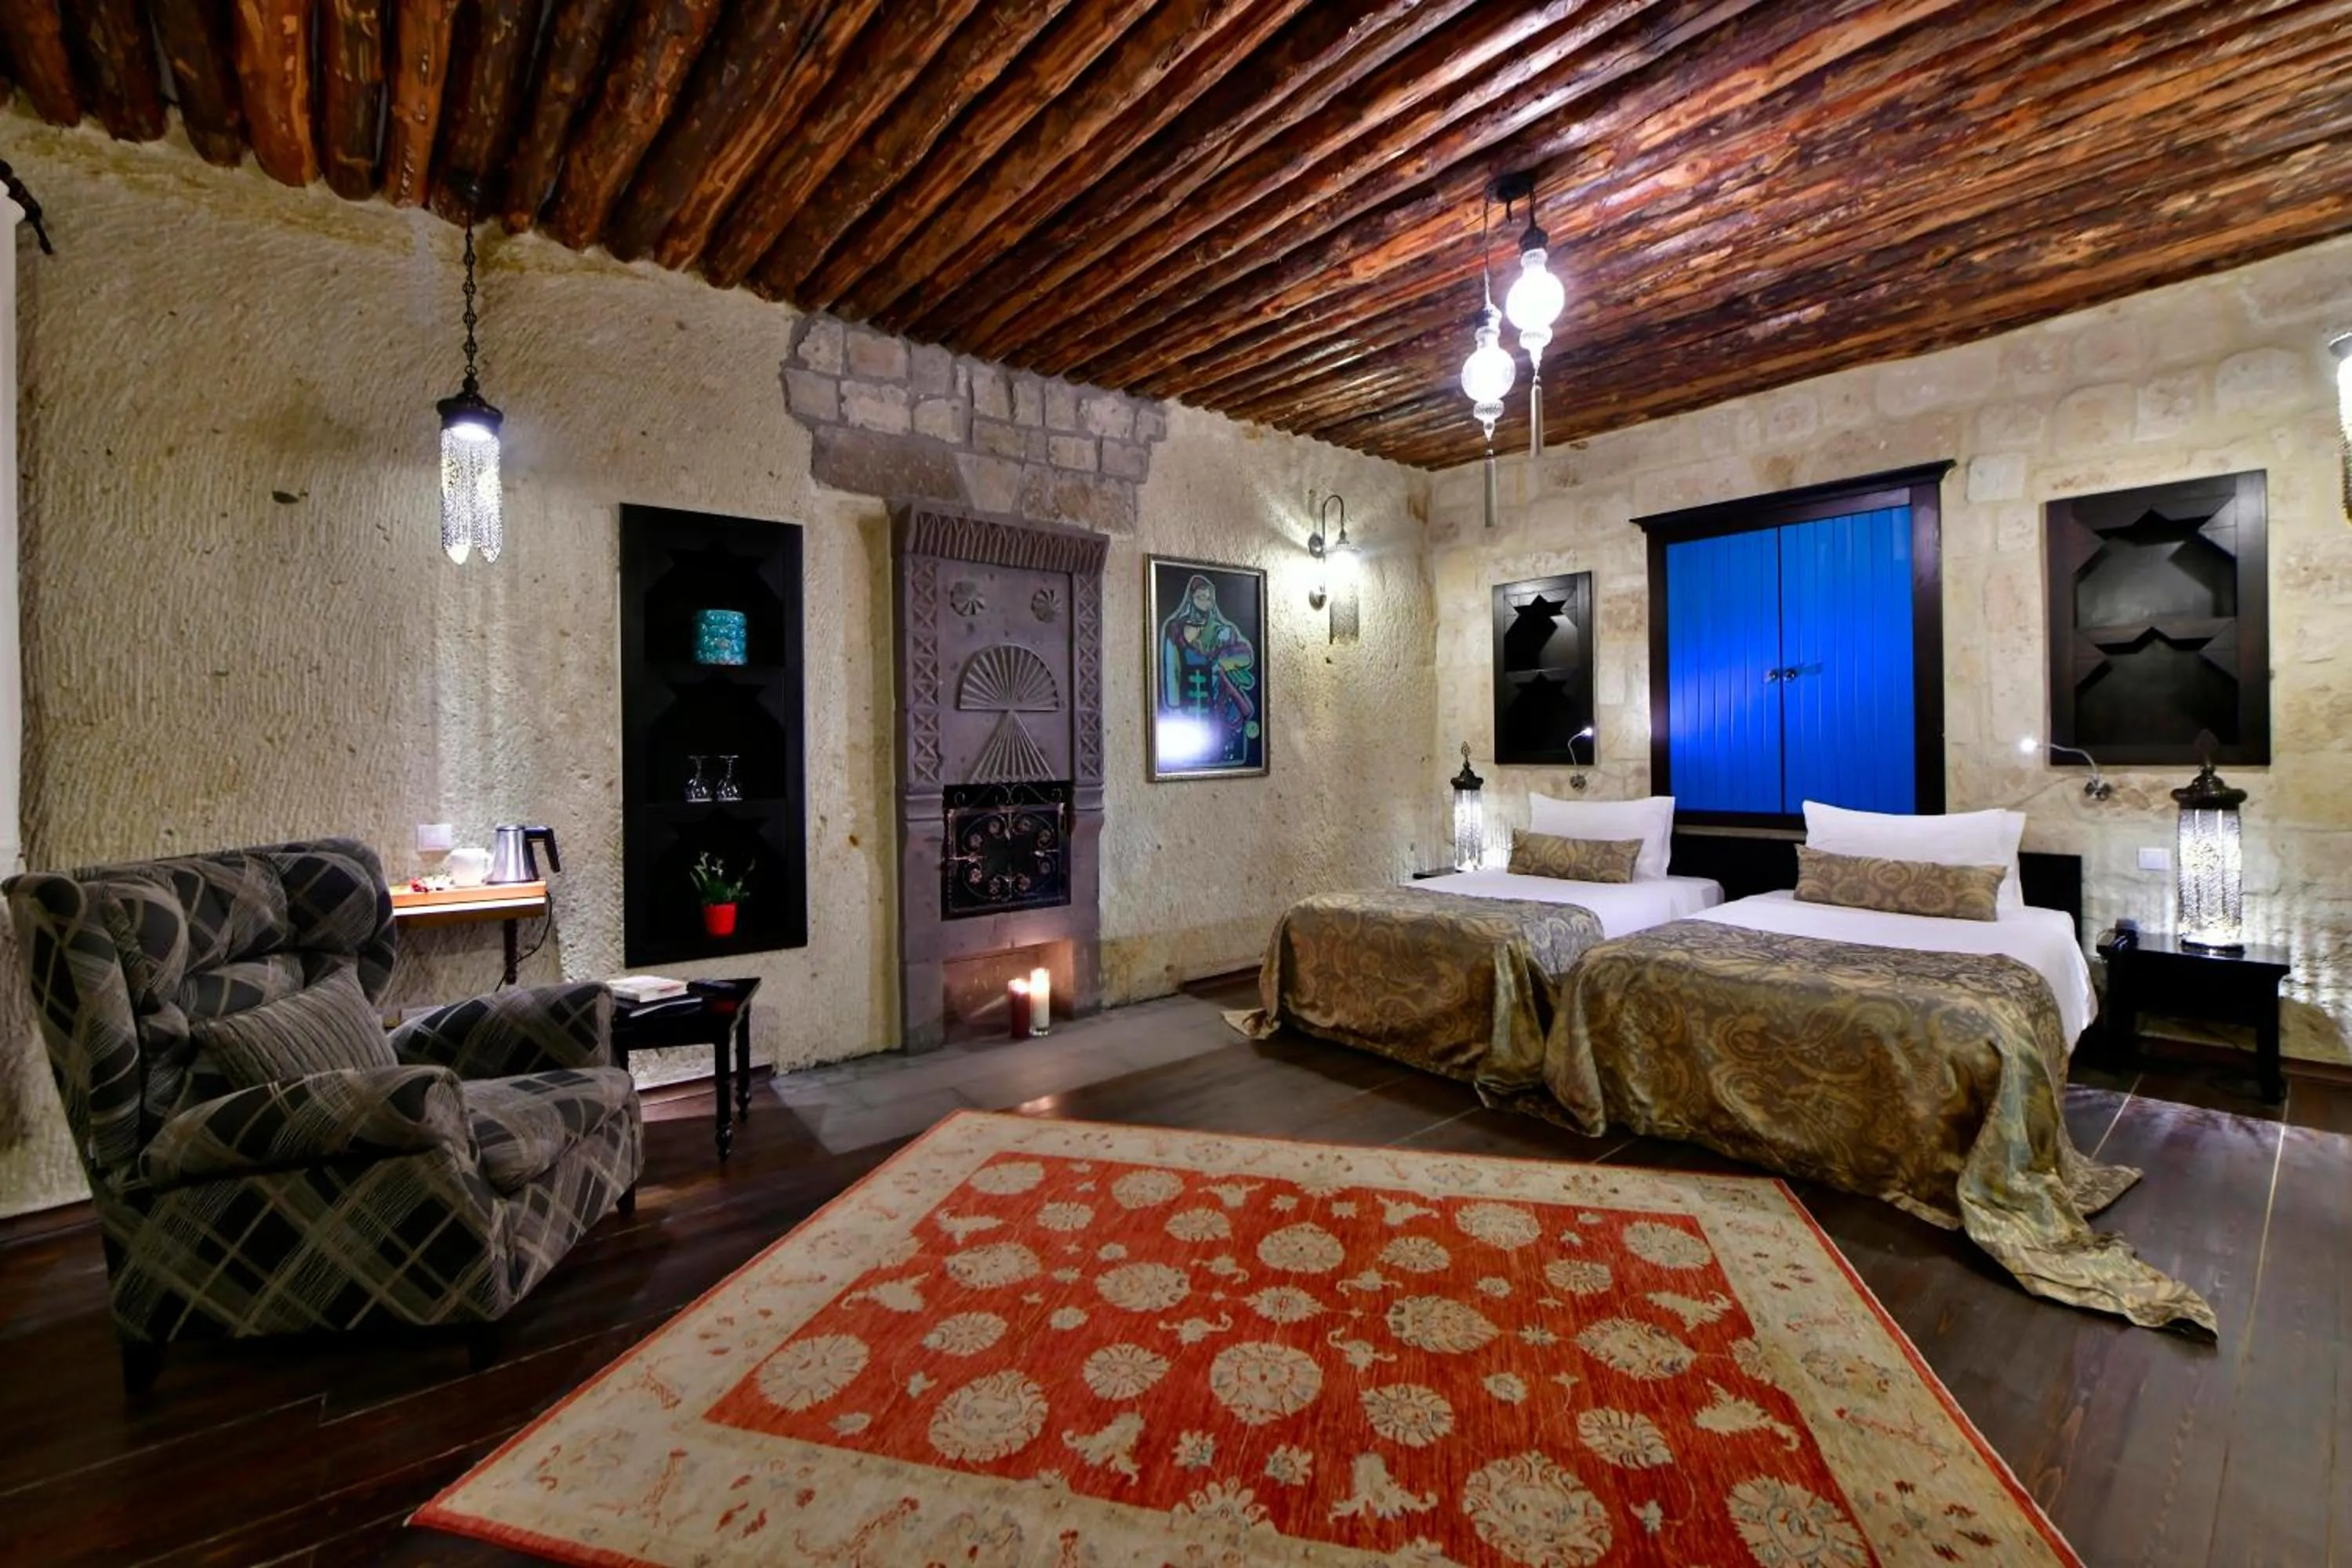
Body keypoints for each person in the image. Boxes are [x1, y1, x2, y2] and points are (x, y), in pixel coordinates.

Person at [1157, 573, 1259, 767]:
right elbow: (1172, 670)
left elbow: (1245, 657)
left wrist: (1222, 659)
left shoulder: (1223, 631)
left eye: (1208, 597)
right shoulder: (1175, 629)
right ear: (1191, 598)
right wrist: (1175, 707)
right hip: (1187, 703)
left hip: (1216, 703)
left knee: (1216, 747)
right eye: (1200, 597)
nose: (1205, 601)